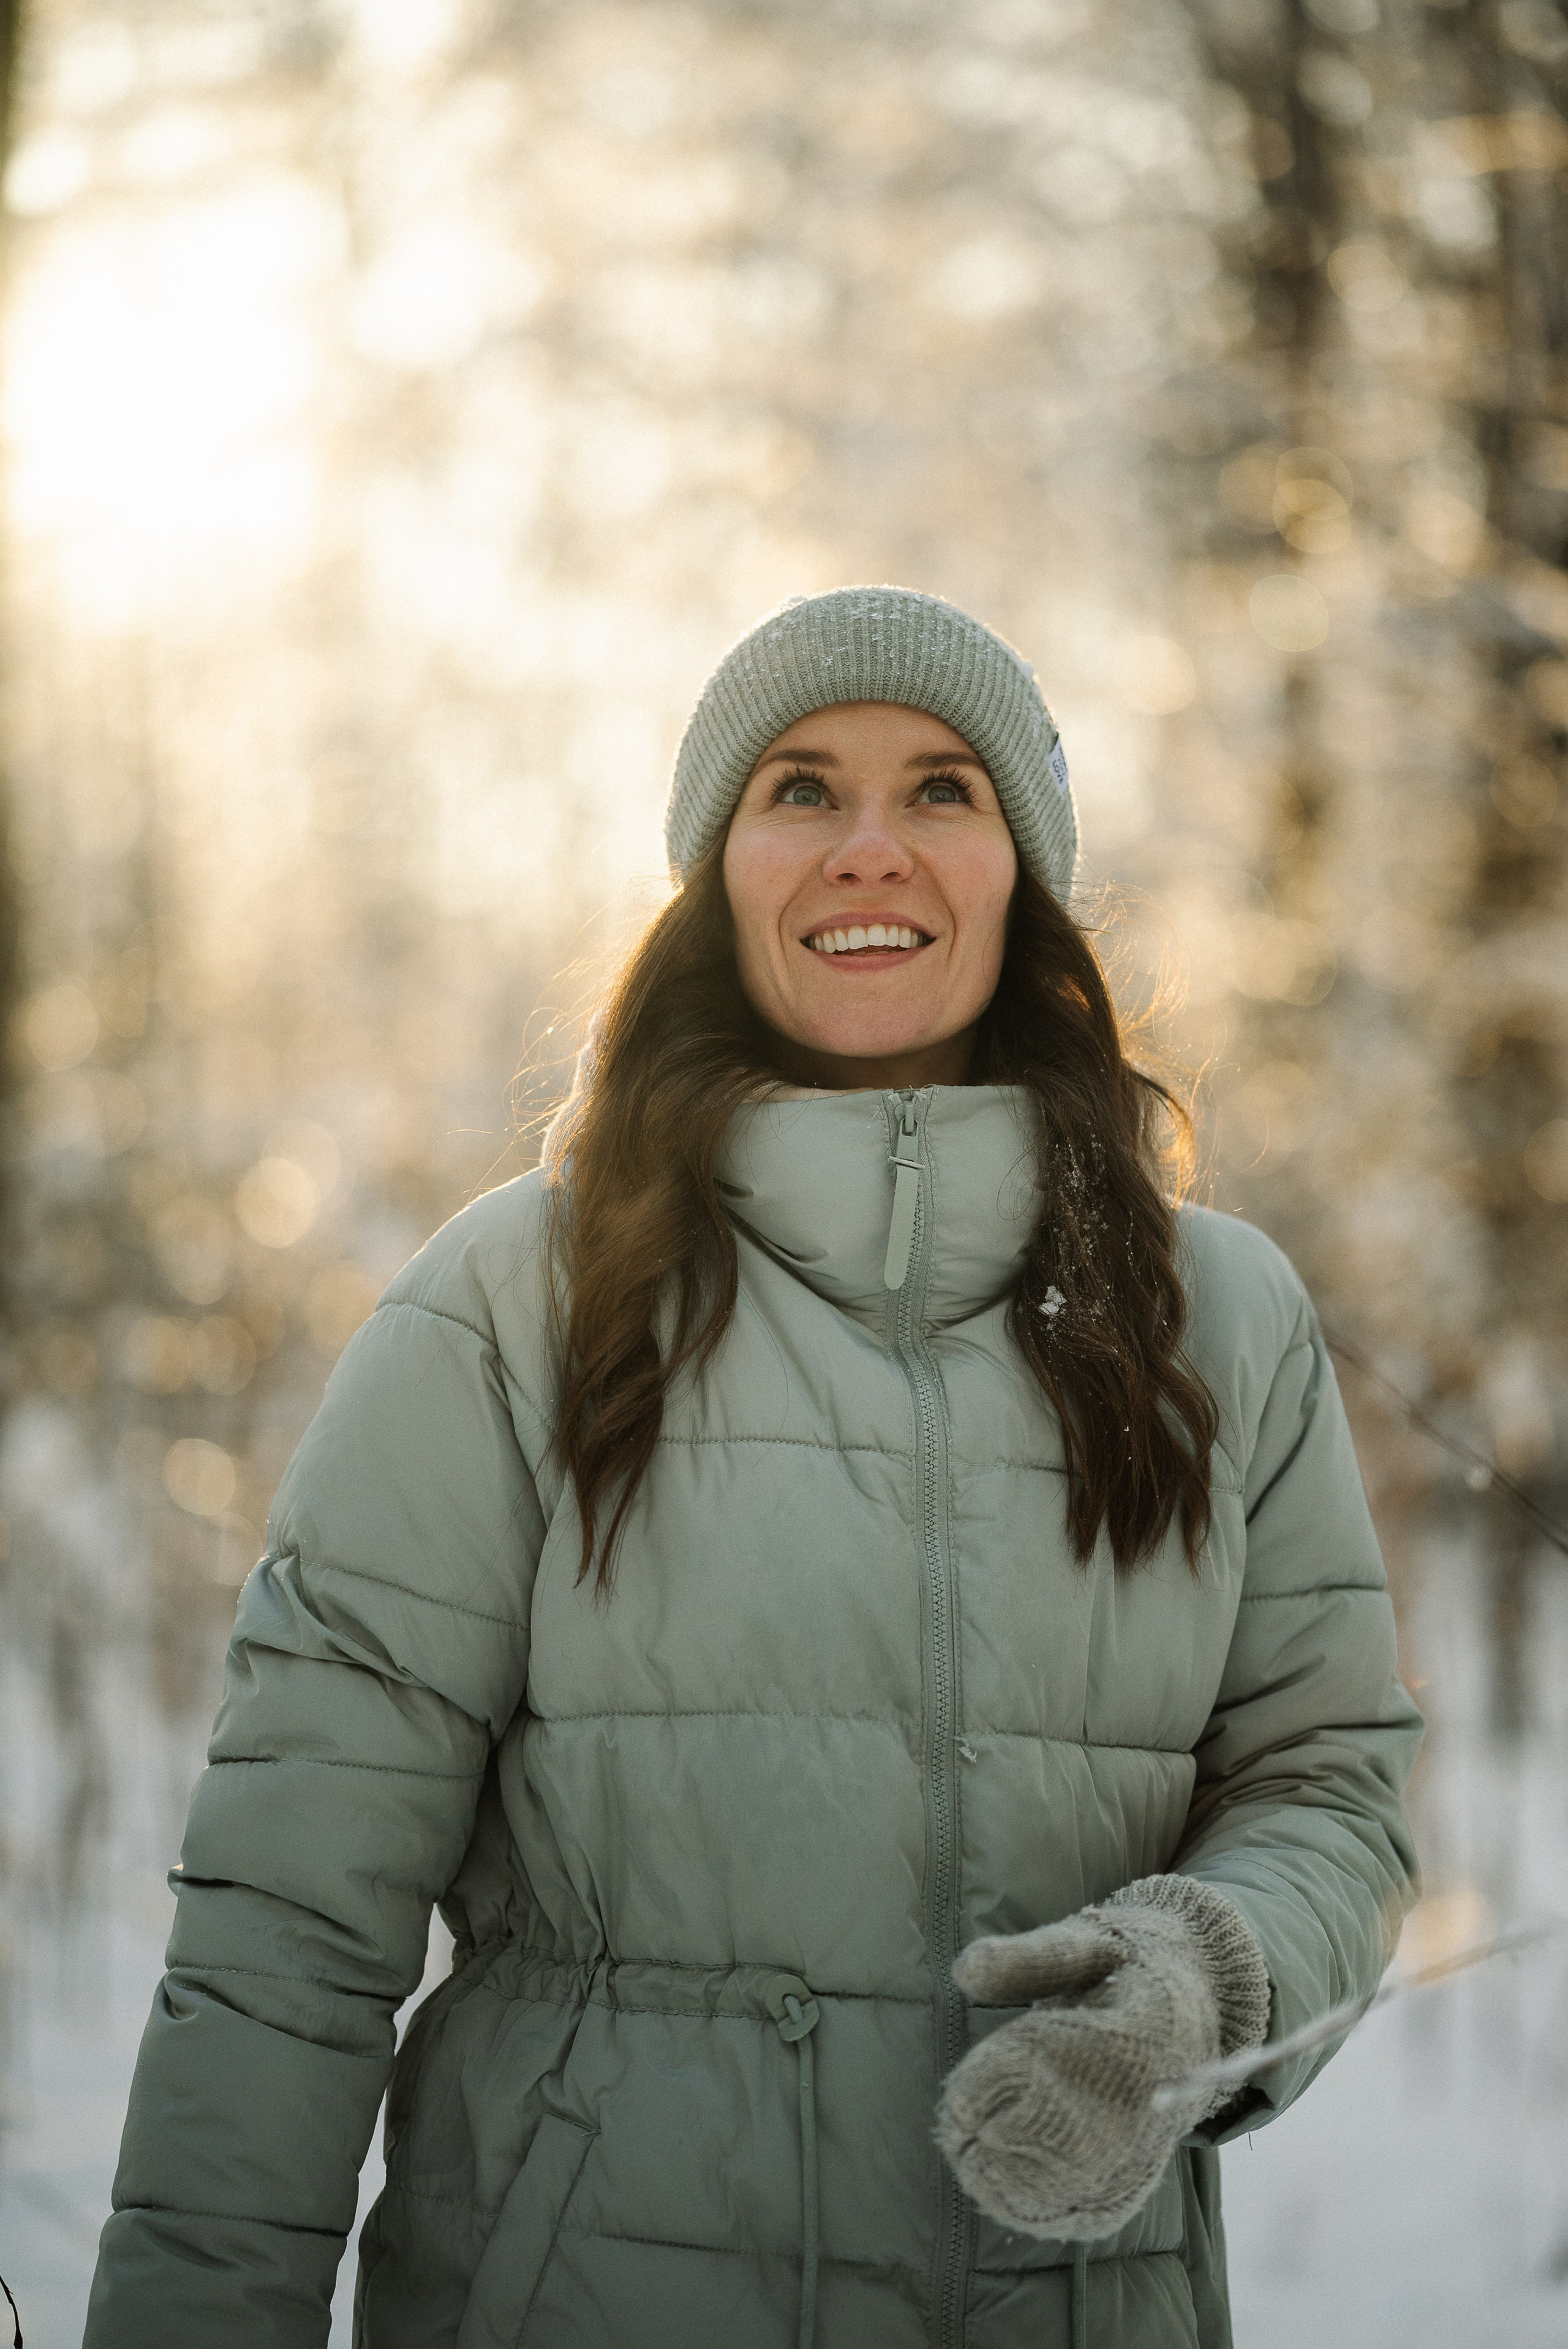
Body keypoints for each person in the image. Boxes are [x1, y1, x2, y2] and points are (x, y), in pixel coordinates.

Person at [86, 587, 1422, 2349]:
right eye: (801, 789)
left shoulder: (1217, 1315)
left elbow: (1330, 1781)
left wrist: (1213, 1968)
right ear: (718, 872)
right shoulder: (514, 1303)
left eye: (942, 790)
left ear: (1021, 872)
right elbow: (292, 1920)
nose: (871, 846)